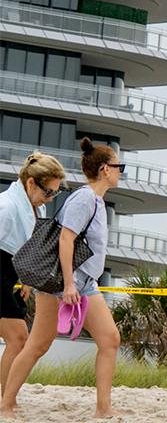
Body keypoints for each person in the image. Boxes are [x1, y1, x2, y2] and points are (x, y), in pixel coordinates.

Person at [1, 140, 121, 418]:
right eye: (118, 167)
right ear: (105, 169)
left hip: (81, 283)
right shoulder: (84, 199)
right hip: (68, 285)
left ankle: (103, 408)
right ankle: (7, 403)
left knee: (103, 339)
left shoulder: (95, 200)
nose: (120, 172)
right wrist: (68, 284)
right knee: (41, 343)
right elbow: (65, 240)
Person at [0, 154, 62, 392]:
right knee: (18, 338)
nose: (50, 197)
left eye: (55, 193)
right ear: (30, 183)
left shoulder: (36, 207)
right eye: (48, 192)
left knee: (17, 340)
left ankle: (6, 400)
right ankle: (6, 401)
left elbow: (25, 248)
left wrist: (25, 280)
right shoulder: (6, 207)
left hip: (8, 276)